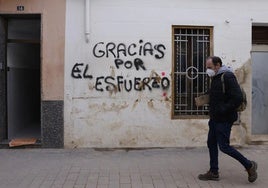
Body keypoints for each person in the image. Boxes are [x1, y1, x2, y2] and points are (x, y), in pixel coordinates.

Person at [198, 56, 258, 182]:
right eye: (206, 67)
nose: (207, 70)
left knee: (224, 146)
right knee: (211, 143)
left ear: (217, 65)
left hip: (224, 119)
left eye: (209, 67)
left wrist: (222, 109)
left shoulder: (228, 77)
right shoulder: (215, 77)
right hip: (215, 118)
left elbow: (237, 98)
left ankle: (249, 165)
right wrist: (204, 98)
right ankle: (214, 172)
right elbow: (216, 94)